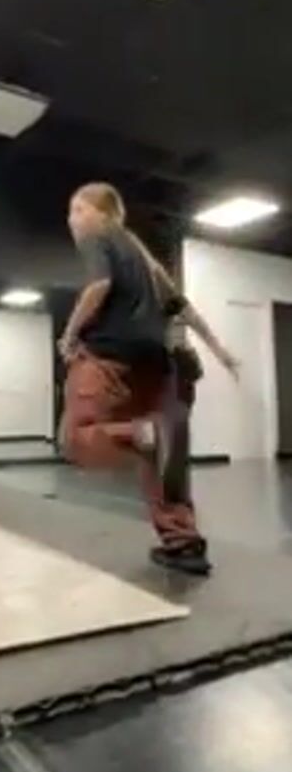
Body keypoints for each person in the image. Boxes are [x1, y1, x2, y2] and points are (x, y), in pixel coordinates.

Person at [59, 182, 237, 575]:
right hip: (155, 363)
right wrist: (220, 351)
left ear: (103, 212)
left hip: (107, 357)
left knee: (76, 439)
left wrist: (70, 334)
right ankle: (183, 542)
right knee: (163, 455)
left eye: (78, 209)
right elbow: (180, 304)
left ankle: (144, 433)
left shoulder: (98, 237)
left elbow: (99, 285)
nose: (72, 220)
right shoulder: (141, 252)